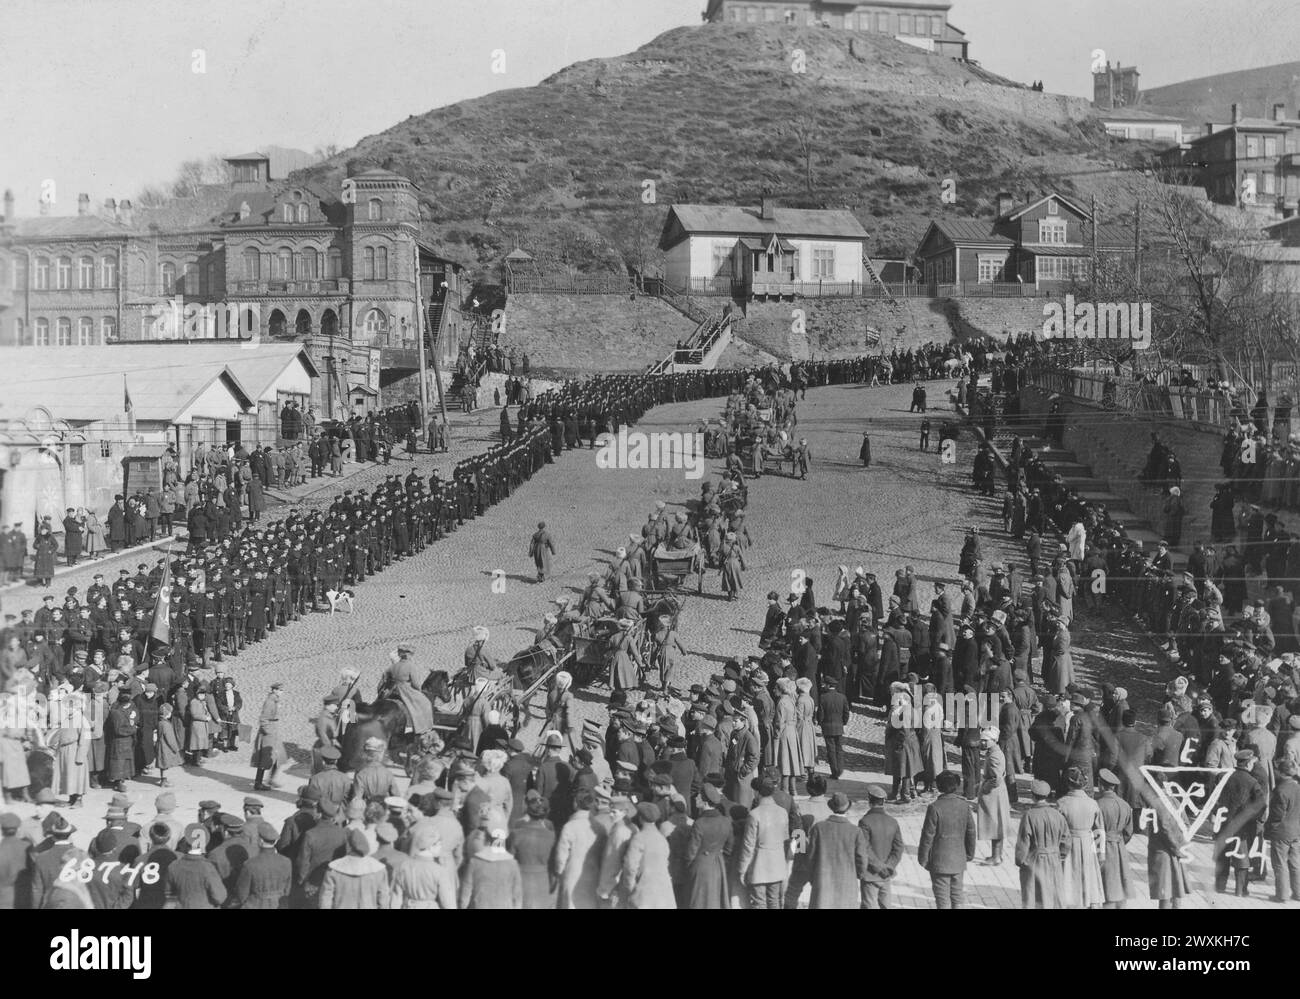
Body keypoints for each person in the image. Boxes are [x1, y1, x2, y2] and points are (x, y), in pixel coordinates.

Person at [806, 791, 881, 909]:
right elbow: (862, 859)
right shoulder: (855, 831)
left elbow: (810, 857)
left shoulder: (818, 828)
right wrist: (858, 875)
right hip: (847, 884)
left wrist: (812, 878)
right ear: (847, 809)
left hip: (822, 883)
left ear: (831, 808)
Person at [916, 770, 976, 909]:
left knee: (942, 901)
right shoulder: (964, 805)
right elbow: (971, 832)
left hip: (939, 862)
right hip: (958, 860)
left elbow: (927, 836)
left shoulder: (934, 807)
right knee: (957, 897)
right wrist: (969, 854)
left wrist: (923, 858)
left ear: (939, 787)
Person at [736, 777, 790, 909]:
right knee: (774, 901)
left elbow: (748, 846)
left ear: (757, 793)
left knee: (759, 903)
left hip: (759, 866)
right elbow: (785, 838)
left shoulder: (754, 815)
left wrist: (742, 869)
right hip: (777, 864)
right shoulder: (782, 812)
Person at [1014, 779, 1067, 909]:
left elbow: (1023, 843)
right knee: (1053, 895)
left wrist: (1020, 861)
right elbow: (1066, 840)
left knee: (1034, 896)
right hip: (1054, 858)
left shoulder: (1029, 816)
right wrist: (1060, 855)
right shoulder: (1058, 815)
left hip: (1035, 860)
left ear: (1032, 796)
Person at [1058, 765, 1104, 909]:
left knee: (1069, 876)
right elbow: (1099, 831)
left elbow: (1057, 830)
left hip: (1069, 845)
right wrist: (1101, 854)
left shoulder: (1062, 803)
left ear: (1067, 783)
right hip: (1087, 844)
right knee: (1089, 877)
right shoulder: (1093, 803)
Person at [620, 801, 675, 909]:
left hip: (644, 894)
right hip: (664, 894)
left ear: (640, 818)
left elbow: (630, 866)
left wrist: (630, 887)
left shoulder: (639, 838)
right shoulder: (661, 839)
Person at [857, 784, 903, 909]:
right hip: (886, 875)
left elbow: (864, 848)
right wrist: (888, 867)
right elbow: (898, 848)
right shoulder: (893, 821)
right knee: (886, 905)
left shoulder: (864, 822)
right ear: (883, 802)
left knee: (869, 905)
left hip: (871, 874)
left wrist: (879, 867)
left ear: (869, 801)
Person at [319, 828, 389, 909]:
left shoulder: (334, 869)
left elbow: (325, 901)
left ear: (348, 846)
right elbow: (383, 902)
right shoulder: (378, 869)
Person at [459, 827, 523, 909]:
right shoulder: (512, 863)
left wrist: (462, 905)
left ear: (487, 841)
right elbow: (517, 894)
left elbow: (466, 889)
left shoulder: (474, 862)